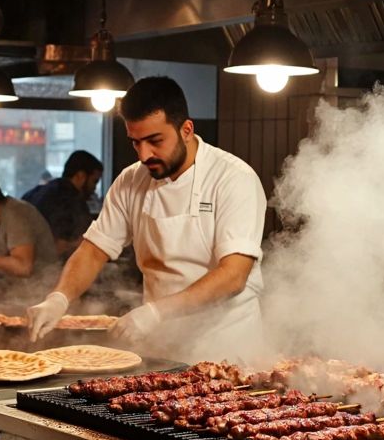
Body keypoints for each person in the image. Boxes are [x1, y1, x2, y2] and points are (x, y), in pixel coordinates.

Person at [27, 77, 266, 348]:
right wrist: (59, 298)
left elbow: (233, 275)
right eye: (135, 142)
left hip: (226, 344)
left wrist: (156, 312)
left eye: (155, 141)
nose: (144, 155)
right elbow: (93, 251)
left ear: (186, 129)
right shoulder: (130, 181)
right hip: (162, 344)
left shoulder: (233, 178)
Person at [23, 150, 104, 259]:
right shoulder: (72, 200)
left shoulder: (36, 192)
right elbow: (59, 247)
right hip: (47, 265)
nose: (94, 189)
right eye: (94, 181)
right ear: (81, 176)